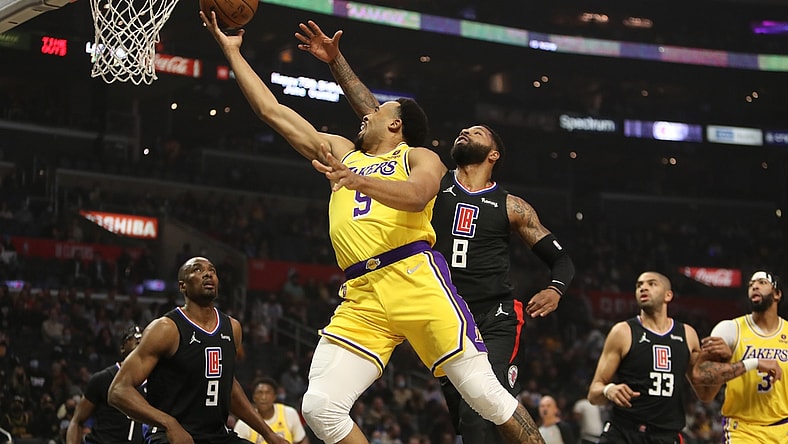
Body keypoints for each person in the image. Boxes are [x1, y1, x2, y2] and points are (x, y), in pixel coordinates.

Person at [201, 12, 545, 444]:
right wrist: (233, 53)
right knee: (320, 407)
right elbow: (272, 111)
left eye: (378, 111)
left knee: (485, 395)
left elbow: (419, 196)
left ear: (395, 124)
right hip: (361, 292)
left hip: (415, 277)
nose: (365, 115)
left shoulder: (420, 158)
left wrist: (359, 180)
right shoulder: (343, 152)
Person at [294, 20, 574, 444]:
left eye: (476, 132)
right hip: (436, 302)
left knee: (485, 408)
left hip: (491, 314)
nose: (465, 131)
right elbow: (377, 118)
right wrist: (337, 64)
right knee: (468, 420)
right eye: (464, 130)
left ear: (493, 153)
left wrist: (555, 287)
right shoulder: (431, 179)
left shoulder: (511, 205)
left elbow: (561, 258)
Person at [107, 257, 288, 444]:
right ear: (182, 286)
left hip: (217, 434)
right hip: (170, 435)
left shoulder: (232, 328)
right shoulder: (166, 328)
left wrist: (268, 433)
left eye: (212, 270)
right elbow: (118, 390)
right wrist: (169, 423)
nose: (208, 273)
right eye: (198, 270)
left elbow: (227, 386)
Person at [587, 271, 706, 444]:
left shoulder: (688, 334)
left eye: (652, 284)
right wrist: (608, 390)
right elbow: (593, 393)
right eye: (639, 285)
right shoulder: (623, 331)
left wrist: (729, 362)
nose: (643, 287)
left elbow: (705, 392)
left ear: (668, 295)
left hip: (664, 436)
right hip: (623, 433)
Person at [691, 270, 786, 443]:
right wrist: (753, 363)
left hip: (784, 427)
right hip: (743, 429)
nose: (754, 286)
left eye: (762, 282)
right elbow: (700, 374)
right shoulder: (729, 329)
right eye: (751, 284)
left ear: (777, 294)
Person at [66, 325, 144, 444]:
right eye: (133, 338)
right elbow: (77, 421)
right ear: (122, 347)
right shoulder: (103, 378)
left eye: (143, 338)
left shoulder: (156, 382)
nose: (139, 339)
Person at [233, 377, 310, 444]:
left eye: (268, 393)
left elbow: (302, 440)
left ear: (274, 396)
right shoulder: (244, 422)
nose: (263, 397)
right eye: (260, 393)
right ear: (254, 397)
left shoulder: (289, 413)